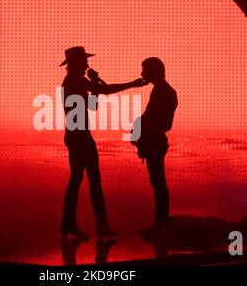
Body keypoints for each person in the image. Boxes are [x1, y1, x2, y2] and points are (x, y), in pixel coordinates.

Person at [60, 46, 148, 239]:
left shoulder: (74, 81)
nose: (87, 63)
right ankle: (100, 226)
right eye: (84, 60)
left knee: (77, 181)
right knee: (93, 181)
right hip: (80, 137)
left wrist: (95, 82)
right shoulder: (75, 81)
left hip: (76, 136)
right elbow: (105, 91)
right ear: (75, 63)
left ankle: (68, 224)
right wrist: (131, 84)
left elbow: (93, 105)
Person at [131, 57, 177, 239]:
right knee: (157, 183)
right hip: (154, 141)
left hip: (154, 142)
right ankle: (160, 223)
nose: (142, 74)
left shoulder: (162, 92)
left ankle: (161, 225)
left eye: (145, 70)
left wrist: (139, 131)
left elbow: (159, 121)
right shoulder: (162, 91)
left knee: (158, 183)